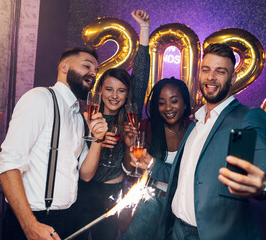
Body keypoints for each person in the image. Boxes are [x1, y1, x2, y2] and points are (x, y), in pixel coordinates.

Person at [130, 43, 266, 240]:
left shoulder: (244, 119)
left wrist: (264, 184)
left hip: (210, 234)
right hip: (176, 230)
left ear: (232, 78)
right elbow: (182, 176)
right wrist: (151, 164)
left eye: (220, 71)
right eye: (206, 70)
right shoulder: (195, 123)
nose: (211, 77)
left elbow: (261, 159)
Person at [0, 47, 109, 240]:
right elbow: (8, 166)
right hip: (33, 219)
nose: (93, 73)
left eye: (96, 71)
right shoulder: (40, 98)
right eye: (87, 66)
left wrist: (98, 140)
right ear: (64, 66)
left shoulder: (78, 117)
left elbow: (86, 174)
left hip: (67, 218)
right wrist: (30, 225)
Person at [71, 9, 150, 240]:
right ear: (100, 91)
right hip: (81, 190)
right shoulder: (87, 115)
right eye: (109, 89)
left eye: (121, 90)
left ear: (127, 95)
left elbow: (142, 74)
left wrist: (144, 29)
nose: (114, 95)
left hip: (111, 192)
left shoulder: (128, 116)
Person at [120, 77, 192, 240]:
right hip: (147, 206)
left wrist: (154, 164)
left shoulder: (194, 131)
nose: (168, 108)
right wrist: (128, 146)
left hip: (180, 209)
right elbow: (131, 171)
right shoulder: (147, 127)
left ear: (185, 103)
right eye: (161, 103)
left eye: (174, 101)